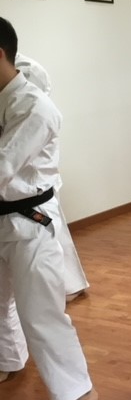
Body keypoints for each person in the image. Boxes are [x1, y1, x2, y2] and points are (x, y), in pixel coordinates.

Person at [0, 17, 98, 400]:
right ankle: (9, 358)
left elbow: (3, 166)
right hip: (3, 219)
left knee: (40, 312)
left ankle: (79, 391)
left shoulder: (35, 107)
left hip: (30, 222)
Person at [15, 52, 90, 303]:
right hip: (18, 180)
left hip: (33, 175)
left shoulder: (27, 70)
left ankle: (67, 287)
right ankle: (67, 285)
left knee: (50, 235)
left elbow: (31, 116)